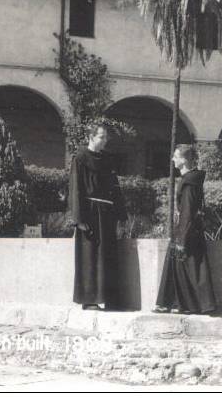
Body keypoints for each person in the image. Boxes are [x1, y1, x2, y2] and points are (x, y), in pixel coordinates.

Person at [69, 124, 127, 310]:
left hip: (107, 214)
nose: (105, 140)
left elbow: (115, 188)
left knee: (107, 256)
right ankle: (89, 300)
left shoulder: (107, 159)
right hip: (90, 213)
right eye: (101, 137)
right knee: (90, 256)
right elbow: (75, 188)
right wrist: (79, 219)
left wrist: (121, 215)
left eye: (106, 137)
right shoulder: (80, 158)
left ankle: (109, 299)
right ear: (91, 137)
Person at [154, 145, 216, 314]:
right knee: (178, 264)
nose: (173, 159)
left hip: (187, 229)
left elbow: (188, 210)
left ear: (184, 160)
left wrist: (182, 238)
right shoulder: (190, 179)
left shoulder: (189, 182)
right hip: (187, 227)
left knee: (185, 264)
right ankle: (175, 303)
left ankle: (187, 305)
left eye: (176, 156)